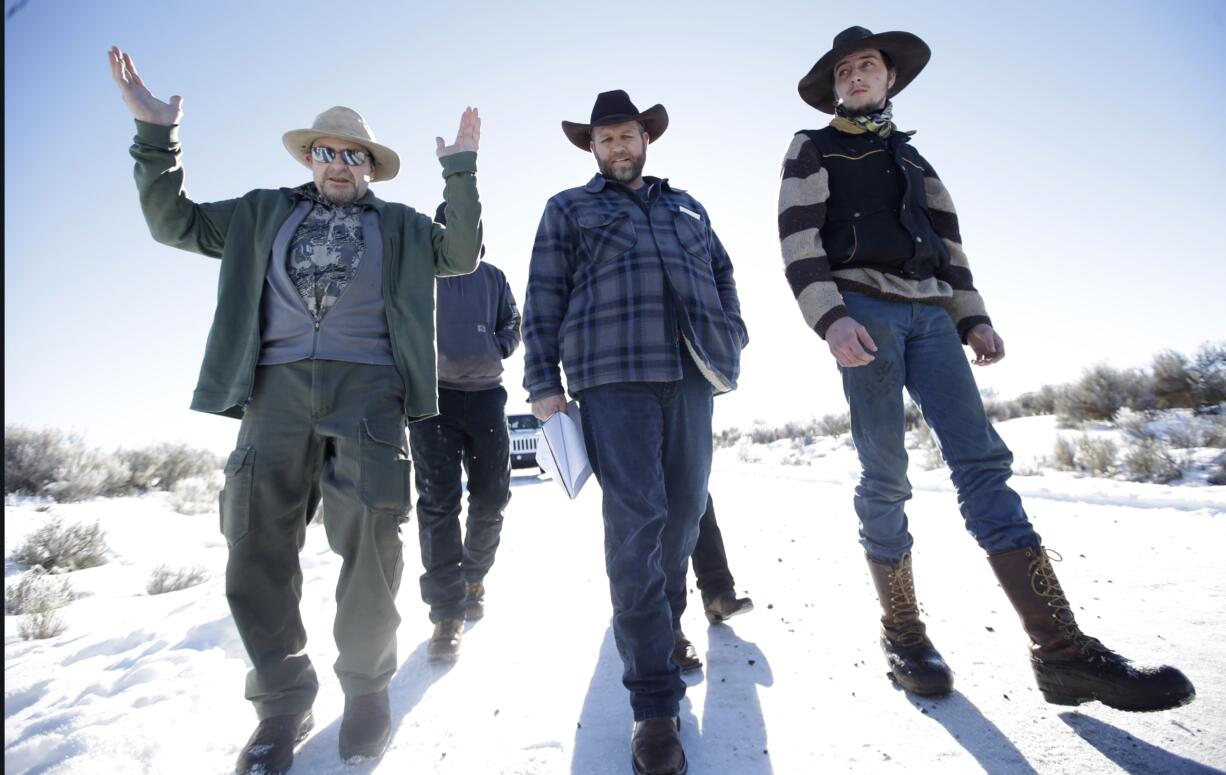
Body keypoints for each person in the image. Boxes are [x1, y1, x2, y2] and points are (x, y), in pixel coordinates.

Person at [777, 27, 1194, 711]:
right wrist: (830, 316)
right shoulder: (812, 147)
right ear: (834, 86)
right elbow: (797, 238)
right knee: (885, 472)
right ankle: (905, 635)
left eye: (868, 66)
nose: (856, 77)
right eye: (845, 70)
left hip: (932, 314)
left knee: (981, 461)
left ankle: (1061, 652)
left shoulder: (917, 162)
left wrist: (973, 317)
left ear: (890, 79)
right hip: (864, 310)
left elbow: (950, 246)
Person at [108, 46, 483, 774]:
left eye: (354, 155)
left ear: (370, 166)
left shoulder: (402, 227)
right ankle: (282, 701)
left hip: (371, 392)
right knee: (254, 543)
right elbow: (172, 222)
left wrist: (461, 169)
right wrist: (157, 137)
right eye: (326, 151)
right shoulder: (258, 214)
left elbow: (462, 252)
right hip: (273, 392)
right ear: (310, 157)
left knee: (373, 542)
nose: (340, 163)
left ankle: (369, 689)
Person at [523, 90, 747, 775]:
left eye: (626, 136)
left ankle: (664, 626)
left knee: (683, 514)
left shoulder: (687, 207)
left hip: (688, 372)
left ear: (646, 138)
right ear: (590, 147)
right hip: (610, 375)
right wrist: (543, 385)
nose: (617, 148)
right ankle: (654, 702)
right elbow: (544, 295)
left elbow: (724, 275)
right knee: (636, 521)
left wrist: (731, 335)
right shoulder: (570, 207)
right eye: (604, 140)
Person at [411, 203, 520, 664]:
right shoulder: (419, 275)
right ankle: (446, 614)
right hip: (431, 400)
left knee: (492, 496)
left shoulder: (493, 276)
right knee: (438, 504)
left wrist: (496, 345)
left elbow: (512, 322)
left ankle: (474, 576)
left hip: (486, 395)